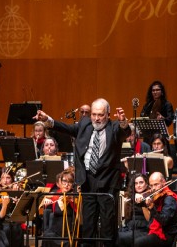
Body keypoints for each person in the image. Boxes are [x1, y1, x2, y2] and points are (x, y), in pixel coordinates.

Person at [33, 98, 130, 247]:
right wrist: (48, 120)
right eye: (94, 114)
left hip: (108, 182)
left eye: (100, 115)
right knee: (88, 226)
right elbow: (65, 128)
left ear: (108, 114)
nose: (96, 119)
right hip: (87, 181)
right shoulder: (85, 124)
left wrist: (123, 122)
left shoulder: (115, 127)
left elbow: (125, 132)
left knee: (107, 227)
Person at [129, 172, 177, 247]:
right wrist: (141, 202)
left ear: (164, 182)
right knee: (130, 239)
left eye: (156, 184)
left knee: (138, 243)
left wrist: (152, 208)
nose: (153, 188)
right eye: (151, 185)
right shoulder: (157, 197)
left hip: (165, 235)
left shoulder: (169, 199)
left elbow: (164, 221)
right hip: (155, 230)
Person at [41, 168, 78, 247]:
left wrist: (69, 199)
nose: (67, 184)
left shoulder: (75, 196)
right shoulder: (55, 194)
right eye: (64, 181)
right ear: (59, 183)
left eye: (70, 182)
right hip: (55, 231)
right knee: (47, 236)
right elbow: (43, 201)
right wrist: (46, 199)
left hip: (69, 233)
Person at [117, 173, 150, 246]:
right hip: (130, 227)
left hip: (144, 229)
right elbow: (127, 218)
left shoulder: (149, 197)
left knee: (121, 237)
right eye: (136, 183)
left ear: (146, 184)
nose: (138, 185)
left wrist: (143, 204)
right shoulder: (130, 198)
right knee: (114, 235)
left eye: (141, 182)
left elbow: (149, 219)